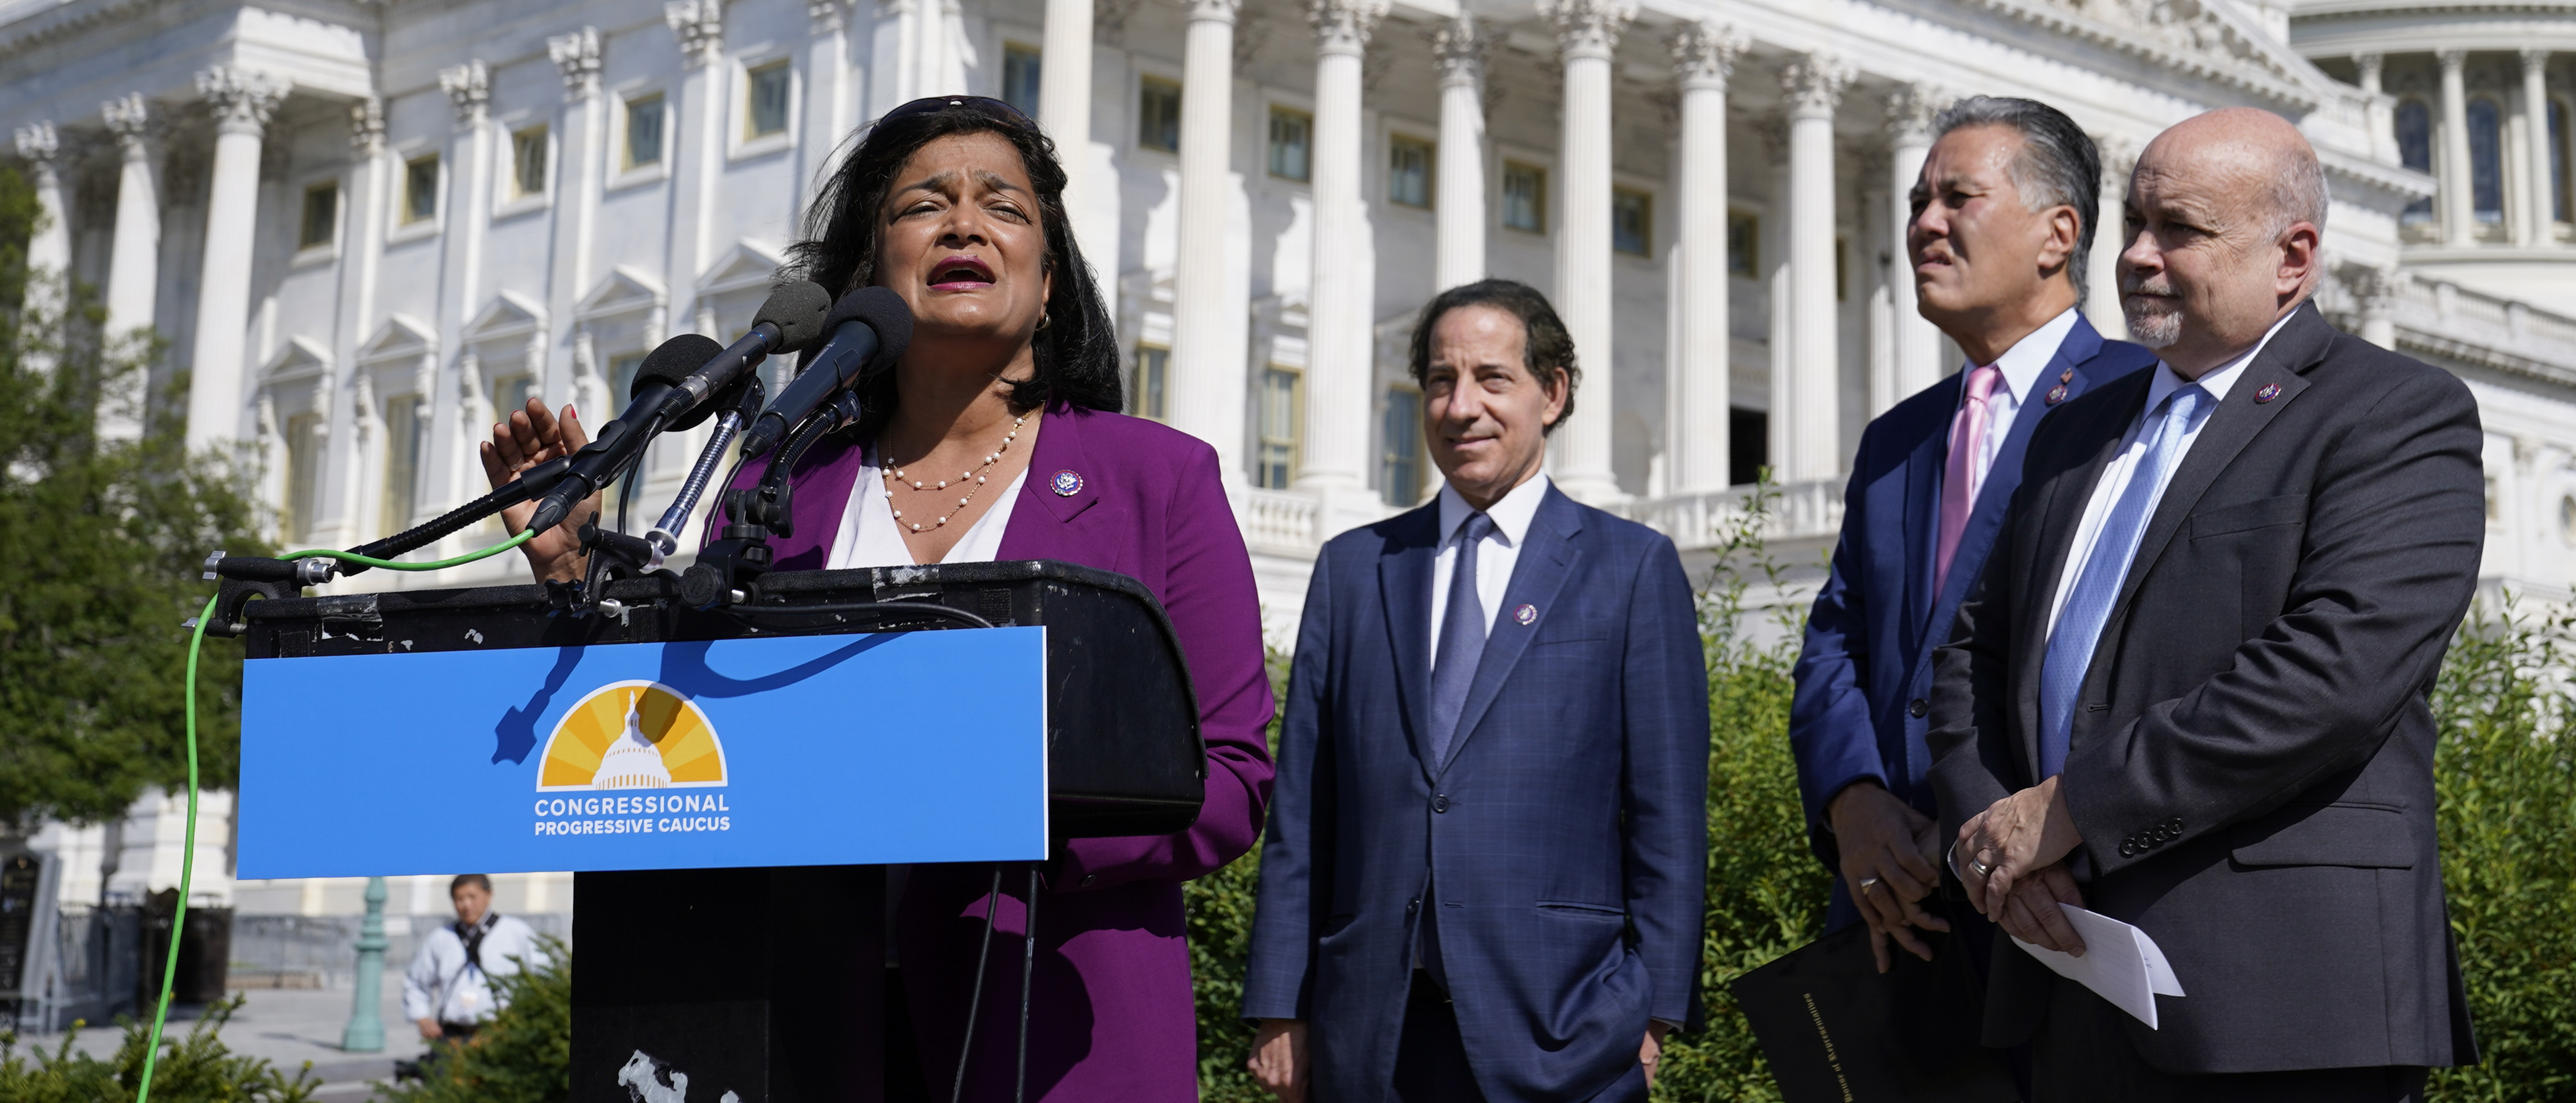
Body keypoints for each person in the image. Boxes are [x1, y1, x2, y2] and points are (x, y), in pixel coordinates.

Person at [483, 93, 1274, 1102]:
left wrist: (1006, 805)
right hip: (801, 1016)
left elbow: (1233, 778)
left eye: (1004, 206)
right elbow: (680, 736)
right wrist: (571, 574)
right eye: (922, 204)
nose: (963, 223)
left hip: (1054, 1023)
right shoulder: (777, 483)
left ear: (1047, 279)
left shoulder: (1156, 478)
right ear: (869, 273)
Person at [1929, 107, 2485, 1099]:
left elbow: (2330, 676)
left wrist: (2075, 808)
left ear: (2292, 255)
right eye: (2134, 222)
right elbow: (1971, 658)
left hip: (2284, 1003)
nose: (2137, 254)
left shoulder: (2393, 412)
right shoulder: (2073, 429)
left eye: (2178, 228)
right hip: (2068, 975)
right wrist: (1999, 845)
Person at [1242, 279, 1709, 1103]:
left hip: (1563, 1029)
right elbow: (1303, 814)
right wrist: (1281, 1004)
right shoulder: (1354, 571)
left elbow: (1668, 813)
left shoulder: (1630, 569)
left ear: (1552, 393)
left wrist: (1655, 1008)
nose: (1462, 408)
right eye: (1439, 381)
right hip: (1371, 1032)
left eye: (1492, 379)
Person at [1790, 97, 2150, 972]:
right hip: (1897, 905)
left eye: (1958, 197)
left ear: (2056, 233)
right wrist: (1852, 798)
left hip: (2060, 901)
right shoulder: (1897, 437)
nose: (1923, 223)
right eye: (1918, 201)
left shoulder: (2143, 401)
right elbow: (1839, 636)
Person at [401, 874, 544, 1057]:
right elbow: (416, 982)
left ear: (488, 895)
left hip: (500, 1034)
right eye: (459, 899)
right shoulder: (441, 938)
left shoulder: (516, 932)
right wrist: (422, 1017)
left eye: (472, 897)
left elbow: (541, 979)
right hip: (451, 1037)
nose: (466, 905)